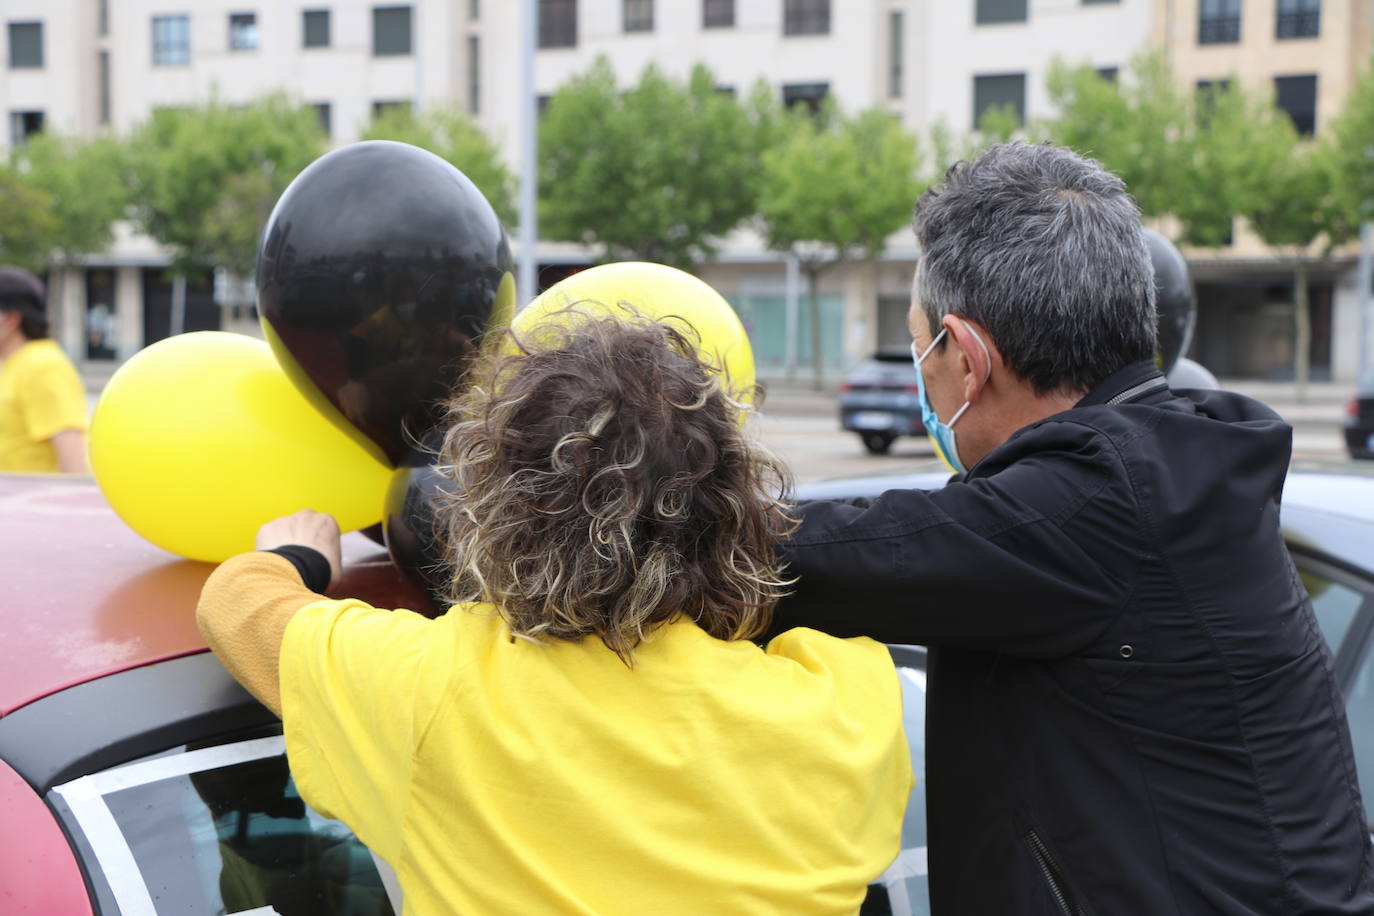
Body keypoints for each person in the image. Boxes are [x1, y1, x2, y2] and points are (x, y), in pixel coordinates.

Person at [771, 143, 1374, 915]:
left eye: (924, 352)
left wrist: (629, 514)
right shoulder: (1176, 472)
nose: (924, 380)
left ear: (970, 356)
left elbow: (828, 554)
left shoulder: (1098, 508)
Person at [198, 313, 912, 915]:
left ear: (498, 512)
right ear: (733, 511)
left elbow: (236, 606)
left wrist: (300, 559)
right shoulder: (844, 709)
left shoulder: (431, 689)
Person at [0, 267, 88, 473]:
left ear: (11, 319)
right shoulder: (15, 364)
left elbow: (72, 457)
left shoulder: (42, 366)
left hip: (30, 502)